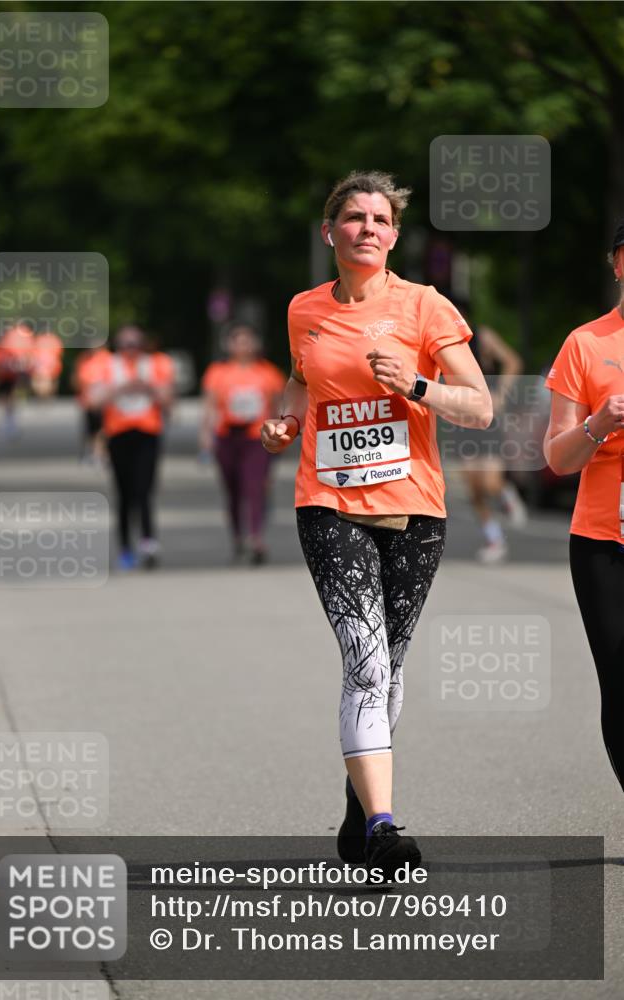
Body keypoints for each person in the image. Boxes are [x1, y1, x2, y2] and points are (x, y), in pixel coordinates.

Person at [261, 171, 492, 877]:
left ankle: (360, 805)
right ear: (329, 232)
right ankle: (386, 827)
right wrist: (285, 417)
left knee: (389, 667)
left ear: (393, 237)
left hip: (414, 507)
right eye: (353, 218)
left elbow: (478, 408)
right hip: (328, 504)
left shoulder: (424, 307)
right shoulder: (304, 309)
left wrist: (415, 385)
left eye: (380, 220)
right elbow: (303, 376)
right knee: (362, 662)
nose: (367, 228)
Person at [544, 219, 624, 793]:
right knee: (621, 682)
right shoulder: (586, 343)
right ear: (617, 263)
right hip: (604, 541)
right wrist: (599, 423)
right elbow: (558, 458)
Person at [87, 326, 175, 570]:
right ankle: (125, 547)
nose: (130, 350)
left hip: (148, 433)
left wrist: (147, 387)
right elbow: (93, 402)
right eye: (125, 344)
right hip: (118, 435)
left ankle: (148, 542)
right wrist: (121, 388)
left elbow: (169, 400)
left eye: (135, 344)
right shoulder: (106, 365)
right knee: (124, 493)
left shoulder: (157, 364)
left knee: (144, 489)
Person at [451, 298, 528, 563]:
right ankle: (494, 539)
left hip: (487, 417)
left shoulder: (482, 337)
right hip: (461, 419)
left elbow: (513, 362)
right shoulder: (443, 343)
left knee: (490, 482)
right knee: (474, 489)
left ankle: (506, 494)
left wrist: (501, 393)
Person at [201, 323, 285, 564]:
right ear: (228, 344)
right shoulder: (218, 372)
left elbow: (278, 406)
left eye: (247, 340)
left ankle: (256, 538)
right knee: (233, 490)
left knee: (255, 487)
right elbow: (209, 405)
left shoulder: (268, 373)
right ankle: (238, 536)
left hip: (256, 438)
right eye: (238, 340)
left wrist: (279, 433)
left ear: (256, 344)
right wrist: (205, 436)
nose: (243, 345)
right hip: (227, 436)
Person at [73, 345, 111, 463]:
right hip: (87, 399)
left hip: (103, 400)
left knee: (103, 428)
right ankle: (91, 451)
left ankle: (100, 452)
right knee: (90, 428)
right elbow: (78, 378)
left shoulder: (107, 358)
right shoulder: (83, 358)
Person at [31, 329, 64, 399]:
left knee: (43, 379)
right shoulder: (53, 340)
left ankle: (47, 397)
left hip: (48, 367)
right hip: (42, 367)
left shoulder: (40, 340)